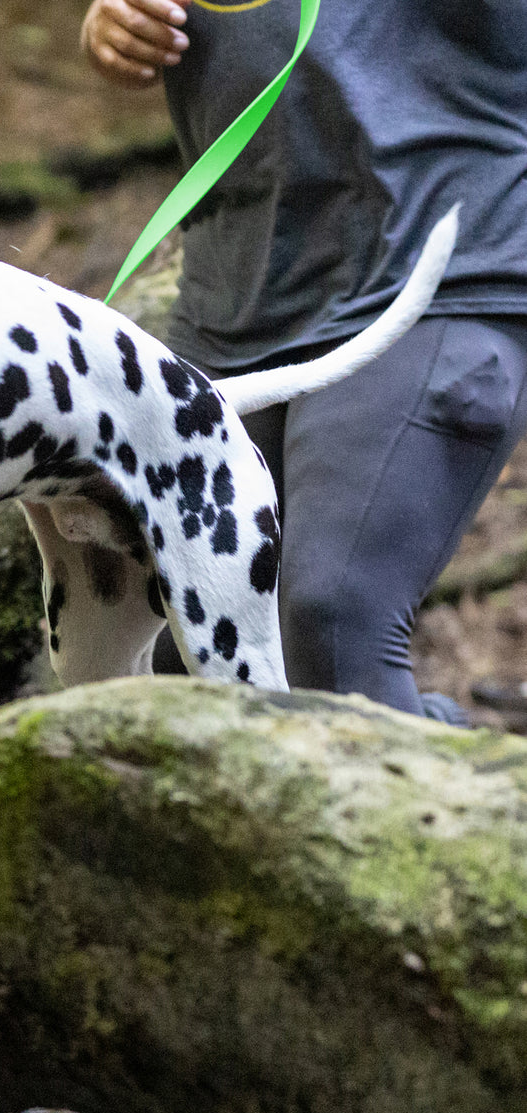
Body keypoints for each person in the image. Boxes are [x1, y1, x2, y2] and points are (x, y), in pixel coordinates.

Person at [79, 0, 527, 721]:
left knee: (332, 622)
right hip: (232, 294)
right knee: (177, 659)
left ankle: (467, 811)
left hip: (437, 269)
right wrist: (112, 24)